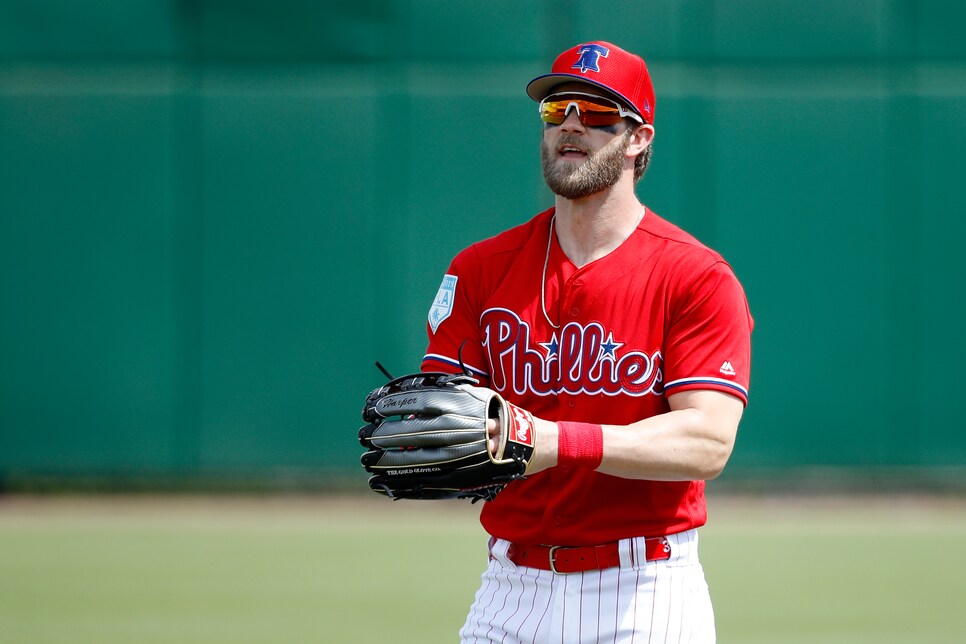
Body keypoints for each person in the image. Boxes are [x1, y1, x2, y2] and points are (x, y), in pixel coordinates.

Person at [421, 41, 753, 643]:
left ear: (638, 138)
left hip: (645, 590)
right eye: (557, 109)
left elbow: (707, 441)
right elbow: (451, 417)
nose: (572, 123)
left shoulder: (696, 276)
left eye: (598, 111)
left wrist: (552, 441)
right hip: (509, 587)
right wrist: (441, 443)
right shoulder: (480, 269)